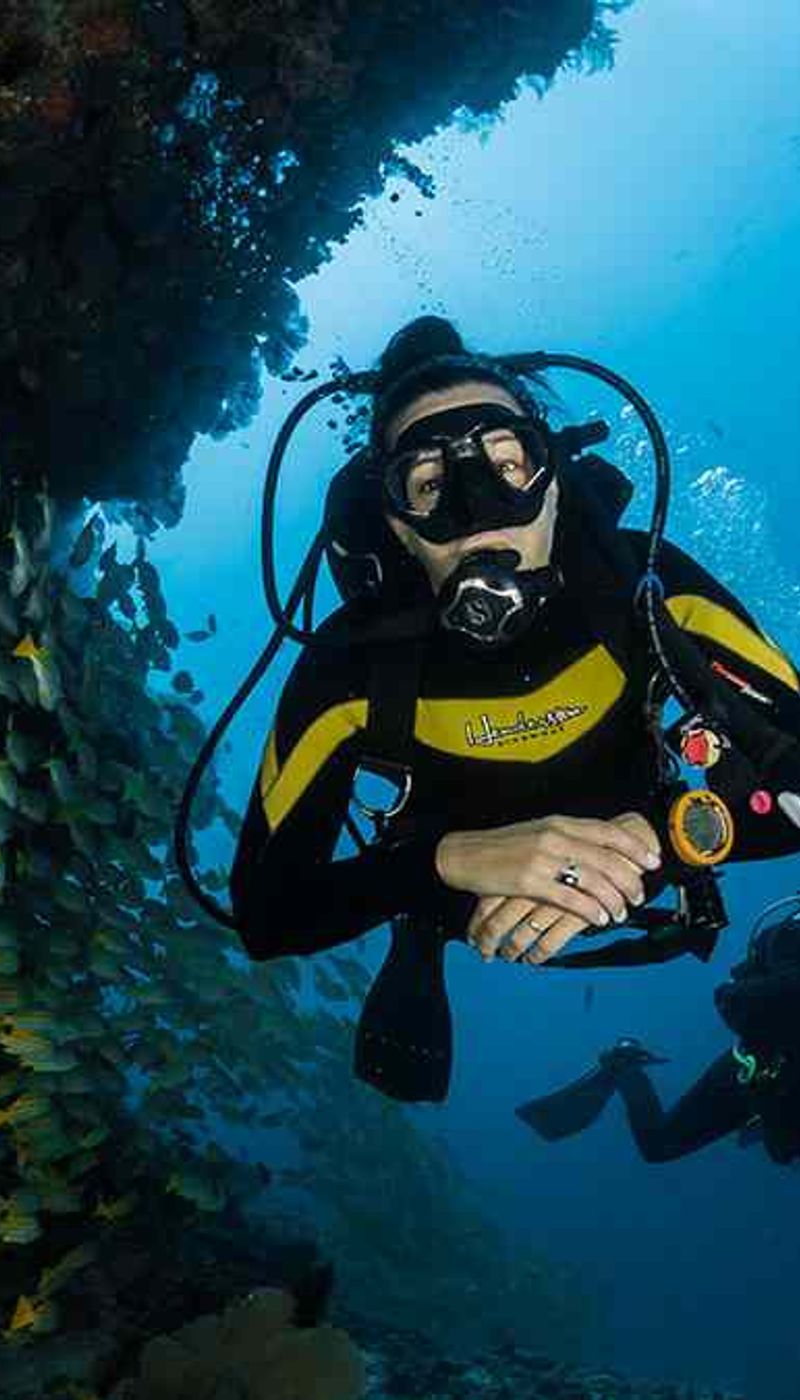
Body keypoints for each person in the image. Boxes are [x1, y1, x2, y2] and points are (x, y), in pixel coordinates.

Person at [228, 315, 800, 1103]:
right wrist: (443, 862)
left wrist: (663, 838)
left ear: (555, 479)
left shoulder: (646, 586)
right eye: (428, 484)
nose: (477, 510)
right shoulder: (350, 668)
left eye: (508, 464)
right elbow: (268, 916)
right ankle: (421, 932)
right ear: (395, 523)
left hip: (657, 846)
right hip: (455, 899)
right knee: (419, 914)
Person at [516, 895, 800, 1164]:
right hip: (763, 1065)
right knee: (660, 1145)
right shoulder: (790, 939)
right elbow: (738, 998)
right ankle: (625, 1067)